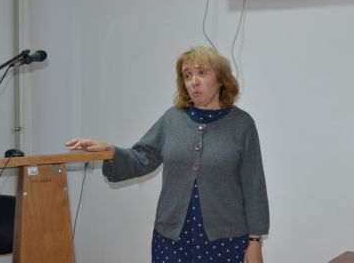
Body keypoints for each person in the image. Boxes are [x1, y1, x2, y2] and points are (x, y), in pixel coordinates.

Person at [66, 46, 269, 263]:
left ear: (220, 78)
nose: (193, 81)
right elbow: (143, 157)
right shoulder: (173, 119)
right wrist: (110, 152)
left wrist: (255, 241)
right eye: (187, 75)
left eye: (202, 73)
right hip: (172, 237)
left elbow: (254, 185)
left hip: (225, 240)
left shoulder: (242, 124)